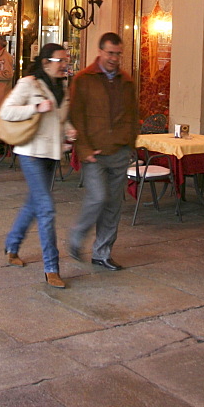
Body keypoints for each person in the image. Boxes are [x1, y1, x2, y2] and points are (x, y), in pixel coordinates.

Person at [0, 43, 75, 288]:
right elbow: (6, 112)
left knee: (34, 203)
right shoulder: (29, 83)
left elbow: (60, 119)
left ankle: (12, 245)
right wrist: (35, 107)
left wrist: (68, 130)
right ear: (46, 62)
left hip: (51, 153)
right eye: (60, 60)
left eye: (67, 60)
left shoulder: (62, 87)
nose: (65, 65)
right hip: (31, 152)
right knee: (46, 208)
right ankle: (51, 267)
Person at [68, 32, 138, 271]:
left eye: (118, 54)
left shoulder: (126, 81)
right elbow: (76, 115)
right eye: (110, 53)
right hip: (94, 153)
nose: (114, 58)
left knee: (114, 205)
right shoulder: (84, 79)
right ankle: (77, 235)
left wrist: (129, 143)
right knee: (98, 197)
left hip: (118, 151)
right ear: (100, 51)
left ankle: (102, 253)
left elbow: (132, 114)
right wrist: (84, 147)